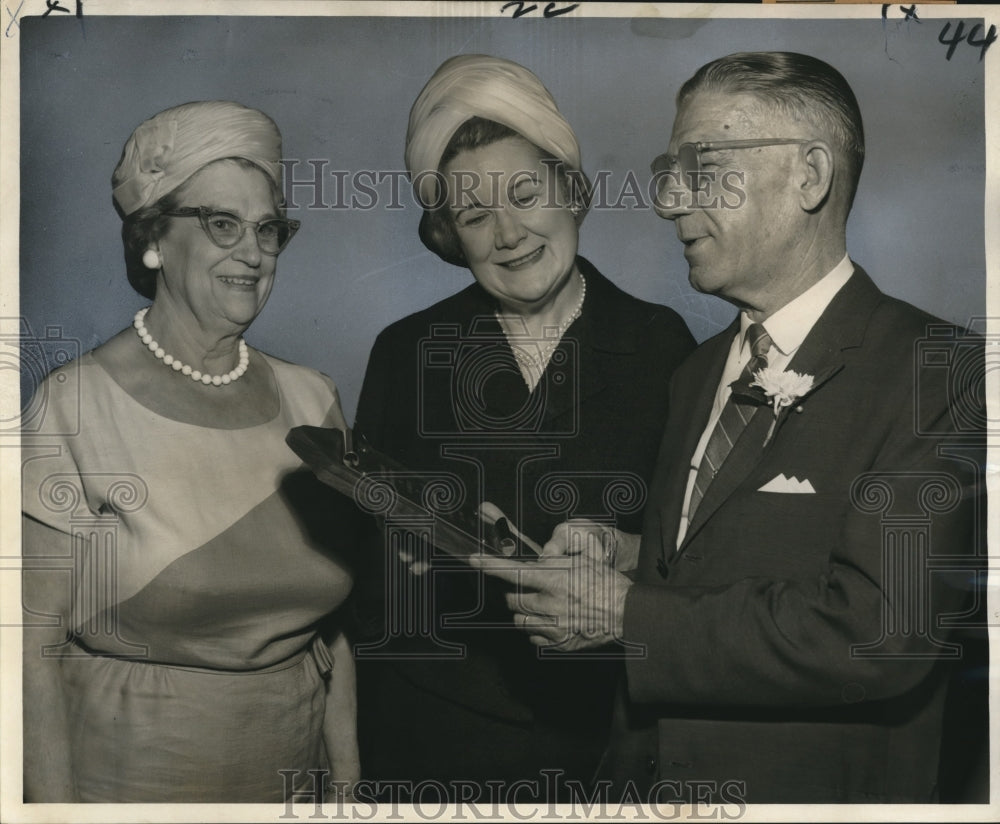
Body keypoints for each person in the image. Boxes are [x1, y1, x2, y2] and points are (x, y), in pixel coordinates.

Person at [476, 51, 985, 803]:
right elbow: (738, 565)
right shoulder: (696, 372)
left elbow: (883, 630)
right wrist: (625, 556)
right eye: (668, 170)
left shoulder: (942, 371)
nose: (669, 201)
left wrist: (624, 611)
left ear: (809, 176)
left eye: (703, 168)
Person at [352, 54, 695, 798]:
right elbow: (369, 584)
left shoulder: (663, 345)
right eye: (476, 215)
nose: (508, 234)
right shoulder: (406, 353)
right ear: (451, 236)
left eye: (525, 194)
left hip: (608, 741)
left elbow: (689, 554)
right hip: (432, 742)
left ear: (571, 192)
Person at [21, 101, 360, 803]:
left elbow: (333, 630)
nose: (254, 251)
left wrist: (349, 783)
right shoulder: (74, 403)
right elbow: (27, 648)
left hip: (293, 777)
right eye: (222, 224)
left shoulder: (313, 399)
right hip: (126, 776)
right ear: (153, 238)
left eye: (268, 229)